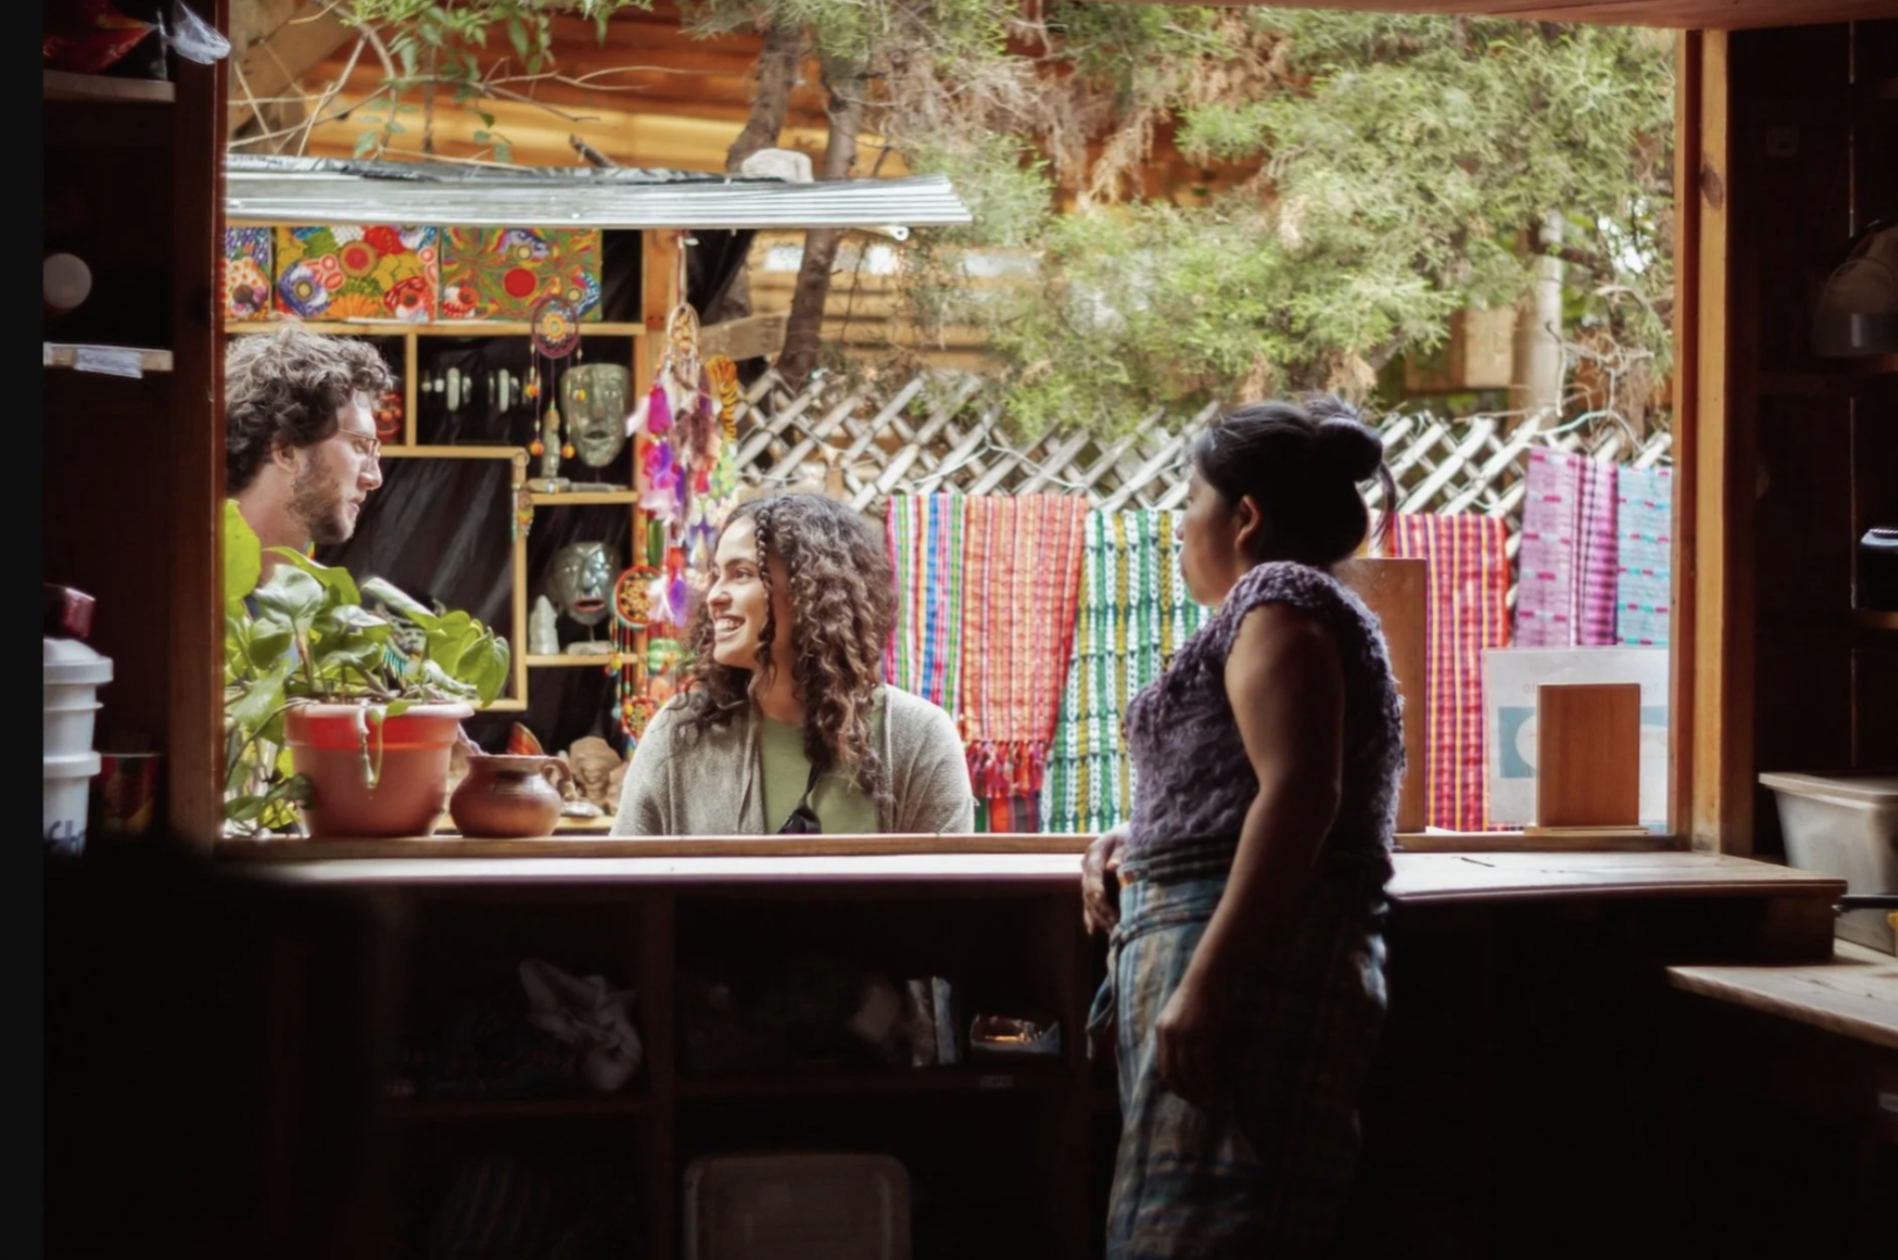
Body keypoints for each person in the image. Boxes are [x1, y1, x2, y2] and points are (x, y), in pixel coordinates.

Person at [1079, 396, 1405, 1258]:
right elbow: (1247, 787)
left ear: (1246, 515)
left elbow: (1301, 794)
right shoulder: (1278, 611)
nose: (1180, 527)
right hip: (1232, 954)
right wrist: (1135, 841)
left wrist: (1206, 988)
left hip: (1251, 974)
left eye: (1190, 503)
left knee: (1213, 1235)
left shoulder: (1277, 603)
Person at [612, 492, 974, 836]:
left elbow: (949, 896)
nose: (714, 597)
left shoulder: (918, 738)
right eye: (717, 575)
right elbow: (624, 885)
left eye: (742, 574)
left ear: (811, 592)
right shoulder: (681, 733)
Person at [226, 325, 392, 581]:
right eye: (360, 446)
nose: (374, 478)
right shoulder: (193, 572)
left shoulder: (301, 557)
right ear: (287, 451)